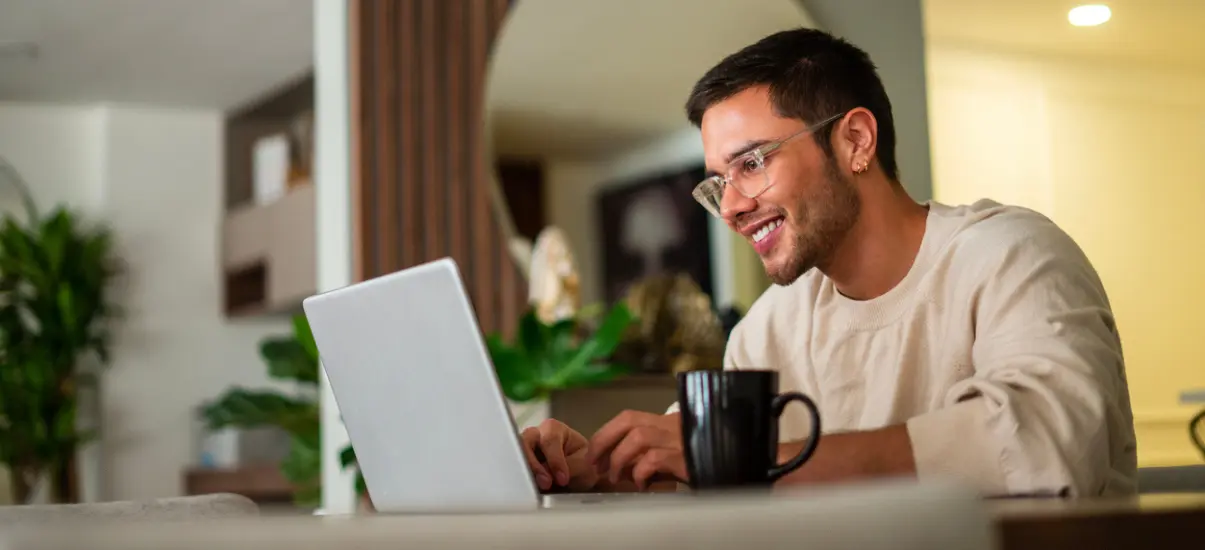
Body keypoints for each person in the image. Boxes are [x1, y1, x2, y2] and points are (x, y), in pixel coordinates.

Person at [520, 27, 1137, 498]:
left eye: (752, 163)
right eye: (718, 183)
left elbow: (1045, 444)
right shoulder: (770, 327)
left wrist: (750, 459)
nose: (730, 207)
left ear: (855, 140)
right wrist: (588, 467)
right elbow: (689, 458)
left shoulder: (1014, 255)